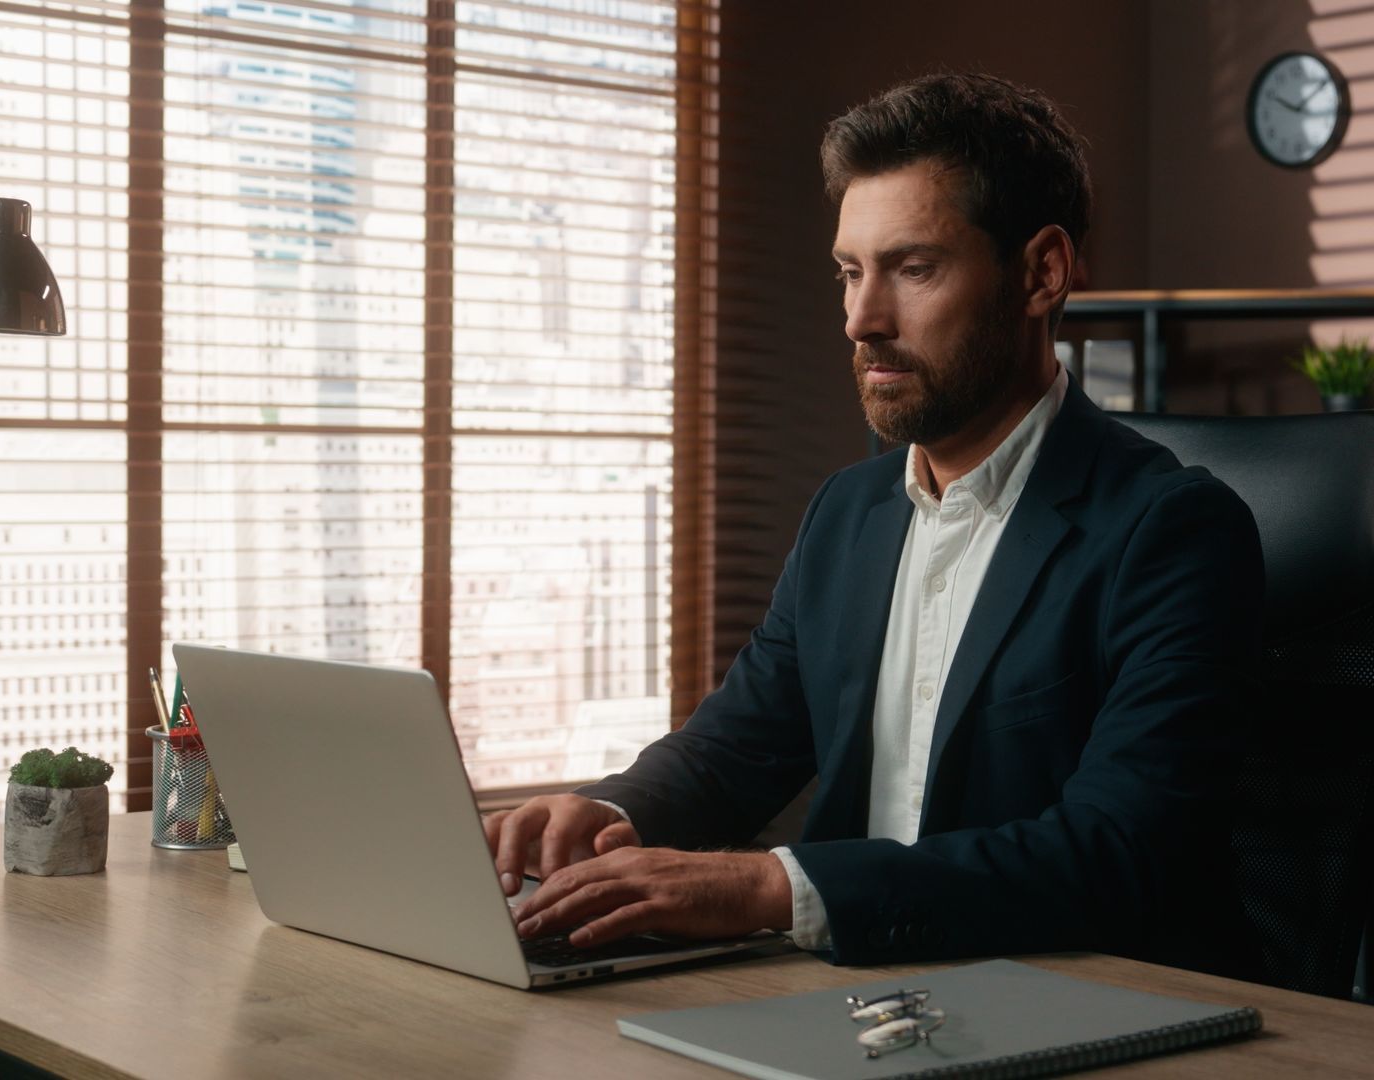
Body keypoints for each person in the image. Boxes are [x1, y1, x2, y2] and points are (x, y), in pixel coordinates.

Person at [487, 72, 1264, 976]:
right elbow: (739, 745)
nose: (861, 319)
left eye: (913, 268)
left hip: (1073, 998)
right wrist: (613, 815)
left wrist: (767, 890)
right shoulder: (848, 514)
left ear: (1042, 273)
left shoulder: (1172, 532)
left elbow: (1114, 851)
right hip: (858, 999)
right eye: (851, 272)